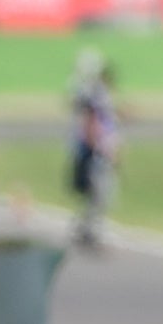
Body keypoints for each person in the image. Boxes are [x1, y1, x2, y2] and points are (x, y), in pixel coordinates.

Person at [70, 49, 119, 251]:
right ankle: (90, 231)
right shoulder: (94, 96)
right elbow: (91, 121)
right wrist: (96, 147)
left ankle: (86, 228)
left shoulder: (96, 95)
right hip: (96, 151)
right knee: (100, 192)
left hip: (97, 148)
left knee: (98, 194)